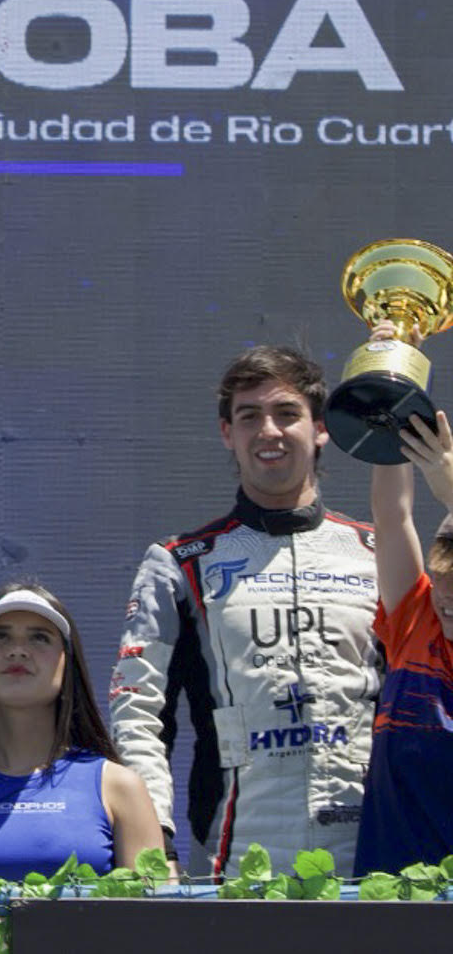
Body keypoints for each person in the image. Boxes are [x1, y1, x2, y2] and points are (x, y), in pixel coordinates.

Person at [109, 344, 379, 877]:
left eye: (287, 413)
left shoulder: (377, 551)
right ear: (226, 433)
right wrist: (153, 841)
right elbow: (138, 713)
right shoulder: (179, 563)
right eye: (249, 416)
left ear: (320, 428)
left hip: (371, 861)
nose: (268, 431)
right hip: (234, 867)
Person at [0, 582, 161, 879]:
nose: (17, 651)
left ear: (67, 665)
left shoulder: (120, 788)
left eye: (39, 637)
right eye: (0, 636)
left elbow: (154, 907)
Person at [356, 391, 453, 874]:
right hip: (389, 892)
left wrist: (449, 484)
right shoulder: (417, 619)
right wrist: (390, 405)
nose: (446, 596)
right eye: (441, 575)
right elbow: (392, 517)